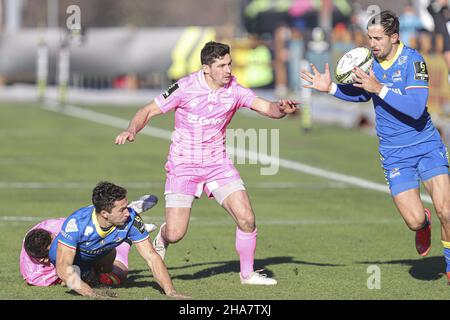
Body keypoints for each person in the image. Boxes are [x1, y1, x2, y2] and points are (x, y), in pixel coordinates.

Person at [115, 41, 298, 285]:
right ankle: (162, 238)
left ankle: (247, 274)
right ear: (206, 68)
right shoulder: (185, 87)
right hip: (184, 165)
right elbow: (148, 110)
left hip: (217, 164)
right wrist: (132, 129)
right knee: (176, 232)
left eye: (229, 64)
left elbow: (267, 108)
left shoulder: (235, 89)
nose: (228, 70)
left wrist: (281, 108)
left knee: (247, 218)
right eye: (221, 66)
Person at [301, 10, 450, 283]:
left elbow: (416, 109)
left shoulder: (413, 61)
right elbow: (361, 94)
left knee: (448, 210)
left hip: (426, 144)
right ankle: (424, 225)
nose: (372, 43)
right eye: (369, 37)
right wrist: (331, 88)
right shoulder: (371, 63)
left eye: (378, 38)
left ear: (394, 37)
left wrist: (379, 88)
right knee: (414, 220)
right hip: (394, 153)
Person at [47, 182, 188, 298]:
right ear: (104, 214)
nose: (129, 213)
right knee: (83, 278)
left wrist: (170, 290)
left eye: (127, 207)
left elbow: (151, 256)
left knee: (114, 269)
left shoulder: (131, 218)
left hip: (99, 251)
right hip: (67, 258)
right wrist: (91, 293)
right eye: (122, 210)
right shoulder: (77, 223)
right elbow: (63, 266)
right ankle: (122, 245)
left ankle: (124, 242)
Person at [20, 194, 158, 287]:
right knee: (117, 275)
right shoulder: (34, 274)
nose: (58, 245)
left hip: (87, 246)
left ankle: (125, 218)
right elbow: (66, 278)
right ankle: (126, 239)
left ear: (52, 236)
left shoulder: (57, 227)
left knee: (95, 243)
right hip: (79, 262)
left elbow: (88, 221)